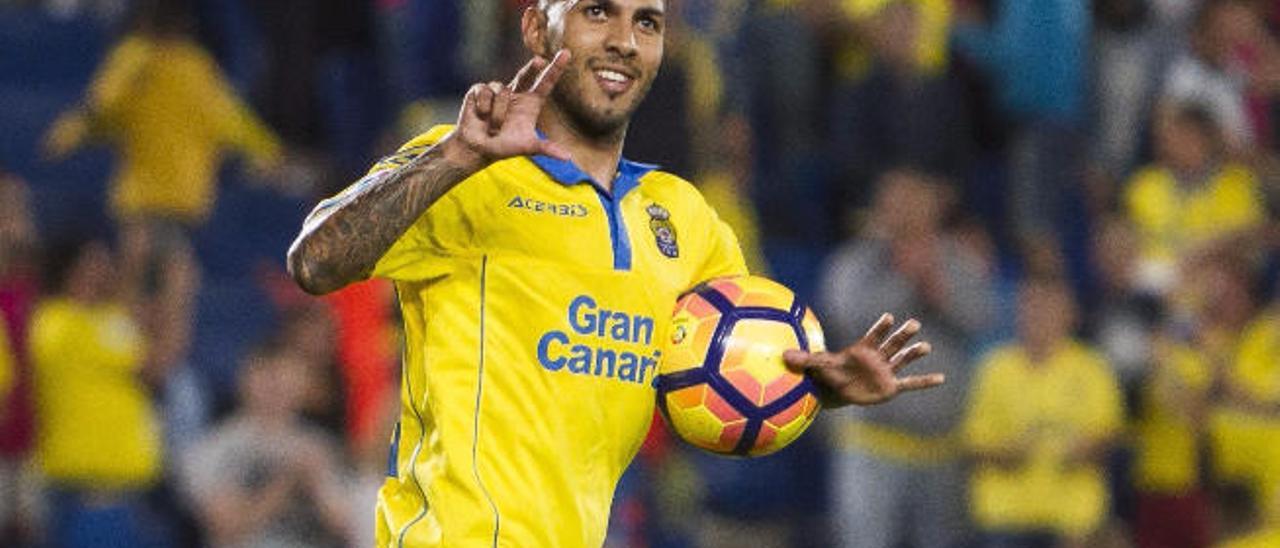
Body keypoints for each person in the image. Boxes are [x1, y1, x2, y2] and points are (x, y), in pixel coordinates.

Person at [286, 1, 945, 545]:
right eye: (598, 13)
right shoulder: (468, 166)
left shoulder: (684, 219)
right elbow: (314, 261)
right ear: (536, 29)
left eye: (648, 23)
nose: (625, 41)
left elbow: (721, 380)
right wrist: (454, 159)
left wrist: (813, 388)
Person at [819, 169, 995, 548]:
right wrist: (905, 281)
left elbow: (983, 315)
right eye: (897, 199)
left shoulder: (957, 259)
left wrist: (941, 290)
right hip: (873, 445)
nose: (906, 210)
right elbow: (848, 317)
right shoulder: (857, 261)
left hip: (941, 449)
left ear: (935, 206)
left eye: (916, 199)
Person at [962, 277, 1124, 548]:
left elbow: (1109, 435)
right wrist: (1007, 452)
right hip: (1005, 517)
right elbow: (973, 443)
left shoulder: (1092, 368)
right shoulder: (995, 368)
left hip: (1072, 518)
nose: (1038, 315)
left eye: (1048, 307)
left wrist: (1083, 451)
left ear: (1069, 315)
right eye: (1031, 306)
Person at [181, 337, 352, 548]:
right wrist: (287, 482)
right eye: (268, 376)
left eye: (285, 378)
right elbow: (226, 525)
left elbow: (347, 527)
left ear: (303, 384)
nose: (276, 387)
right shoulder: (211, 448)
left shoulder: (321, 446)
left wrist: (317, 487)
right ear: (245, 378)